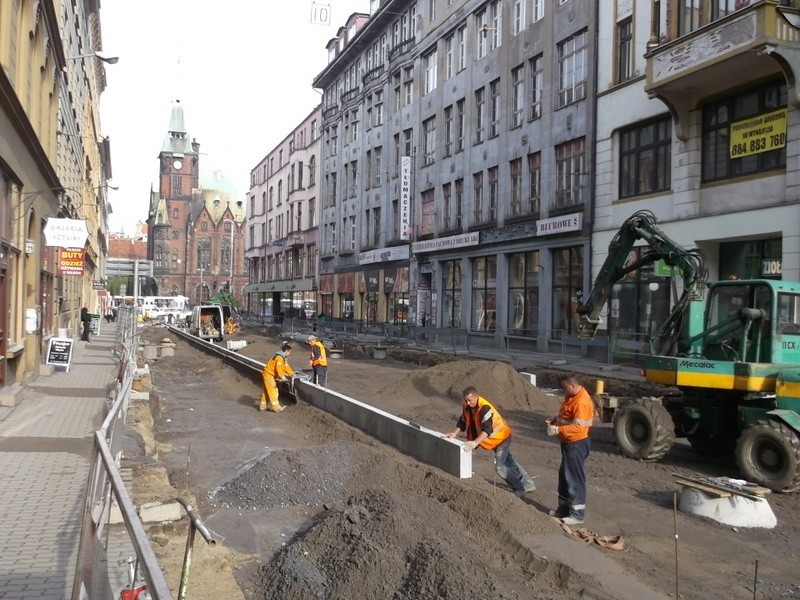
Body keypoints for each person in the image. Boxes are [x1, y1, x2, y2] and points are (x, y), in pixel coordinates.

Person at [444, 386, 537, 498]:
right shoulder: (467, 407)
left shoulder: (484, 408)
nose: (468, 403)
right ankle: (528, 483)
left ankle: (519, 488)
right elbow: (462, 422)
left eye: (470, 400)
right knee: (509, 461)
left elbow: (487, 430)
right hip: (493, 440)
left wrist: (475, 443)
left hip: (502, 437)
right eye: (466, 400)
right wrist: (453, 433)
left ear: (476, 397)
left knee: (500, 467)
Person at [547, 374, 595, 525]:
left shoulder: (581, 401)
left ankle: (577, 514)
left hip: (576, 443)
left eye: (565, 387)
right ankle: (564, 509)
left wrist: (558, 430)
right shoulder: (572, 396)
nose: (563, 390)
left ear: (573, 386)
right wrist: (555, 421)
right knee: (565, 476)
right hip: (569, 443)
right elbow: (567, 415)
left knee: (574, 478)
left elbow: (578, 427)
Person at [259, 342, 295, 413]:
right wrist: (282, 377)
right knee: (273, 390)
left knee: (267, 391)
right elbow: (279, 368)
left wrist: (291, 373)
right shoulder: (279, 358)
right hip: (269, 375)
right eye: (290, 352)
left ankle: (262, 407)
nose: (290, 354)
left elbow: (286, 367)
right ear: (286, 351)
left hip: (268, 374)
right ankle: (277, 408)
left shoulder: (282, 358)